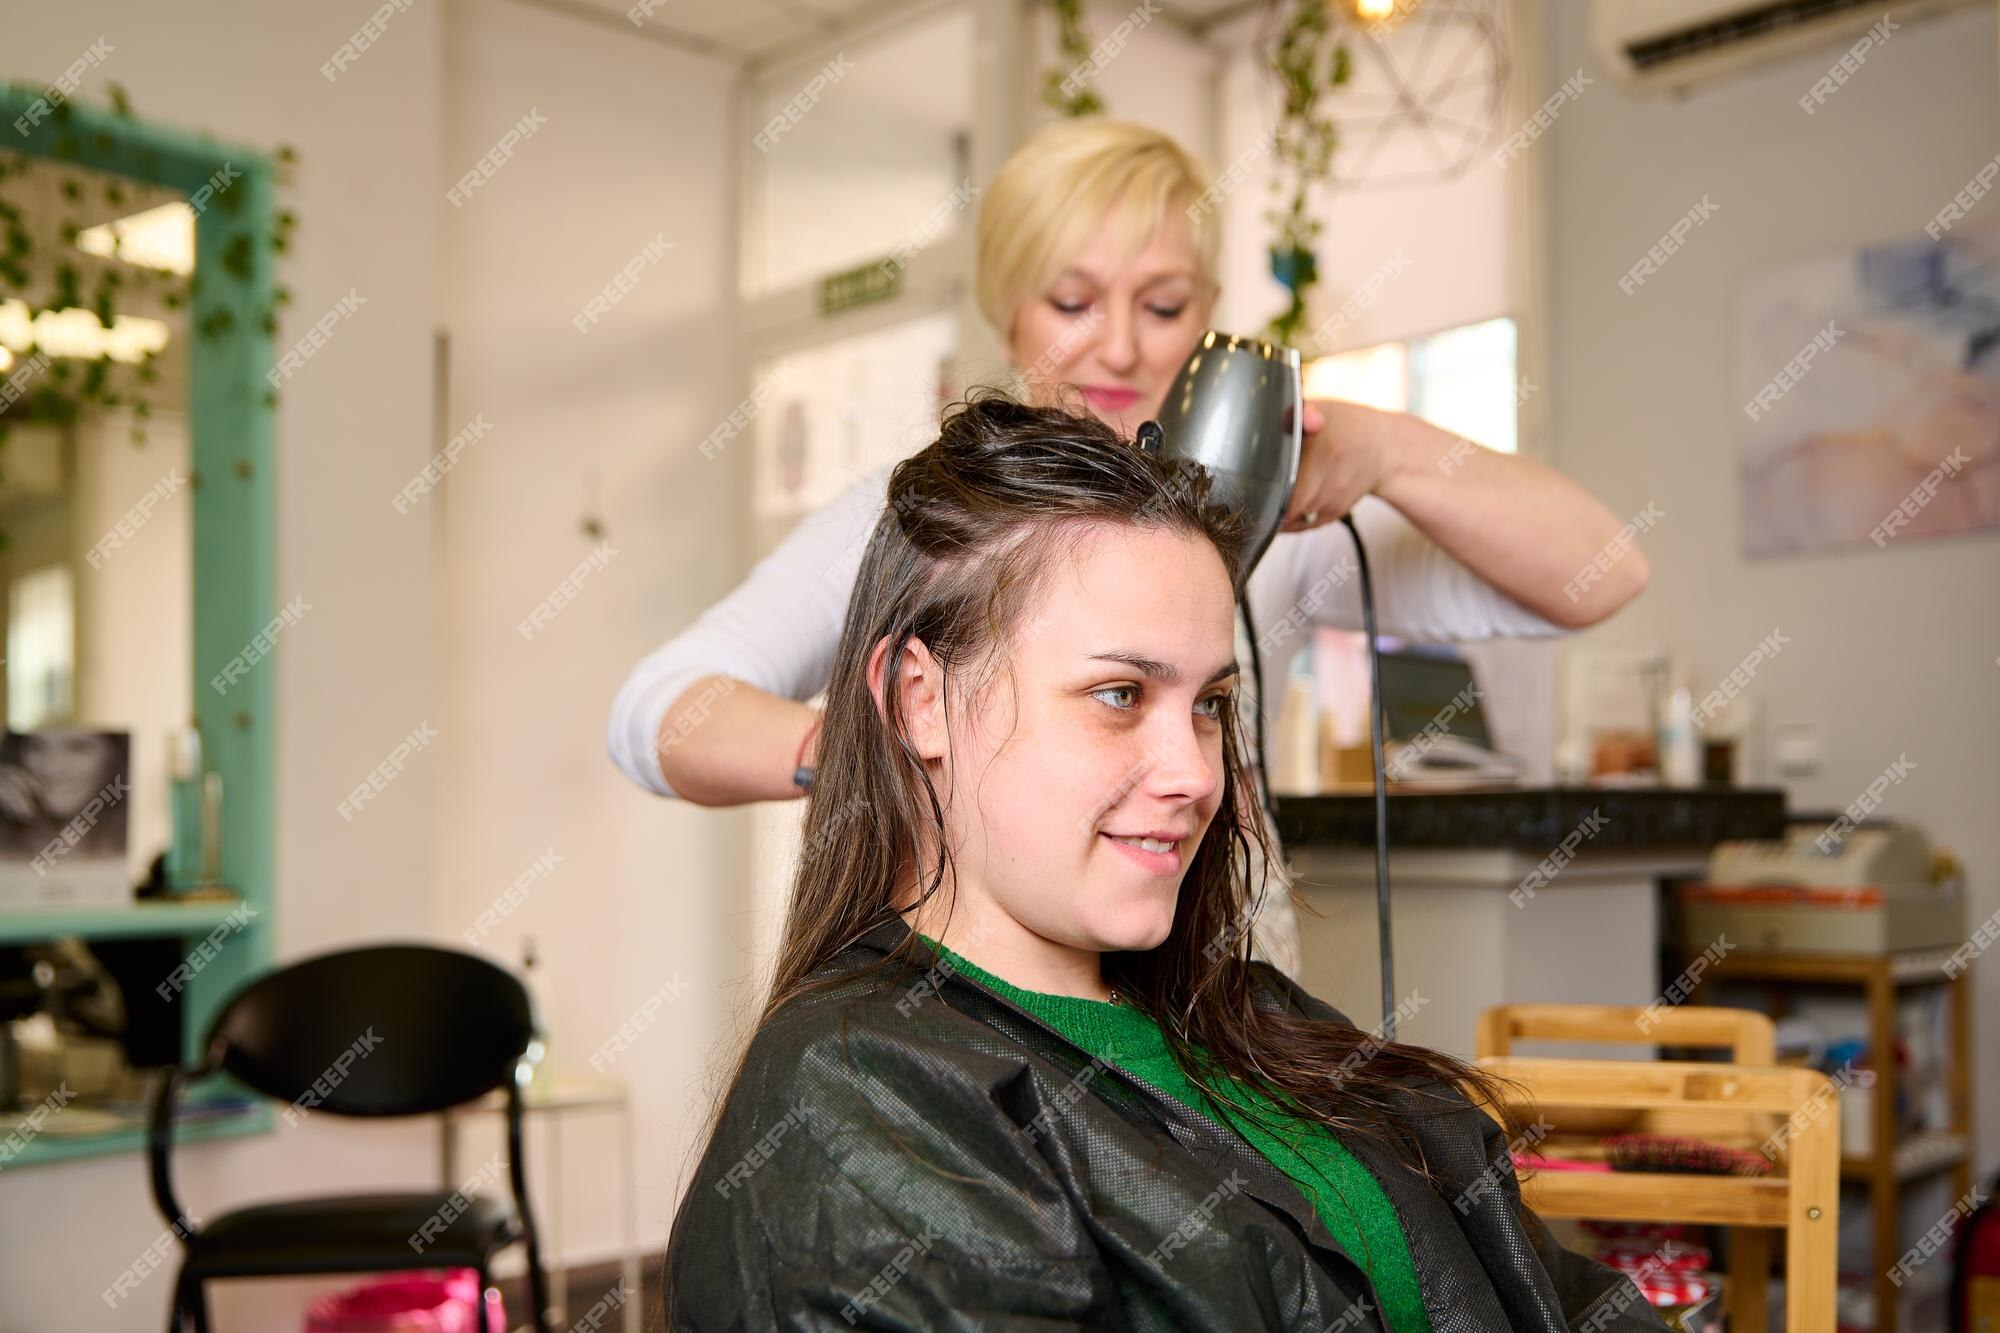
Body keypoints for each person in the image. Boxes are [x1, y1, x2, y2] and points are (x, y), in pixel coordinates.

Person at [664, 395, 1666, 1332]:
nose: (1193, 773)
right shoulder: (853, 1097)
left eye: (1209, 704)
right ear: (920, 701)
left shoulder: (1249, 1014)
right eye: (1117, 696)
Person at [608, 119, 1649, 977]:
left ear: (1204, 312)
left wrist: (1396, 447)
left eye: (1160, 307)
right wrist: (870, 749)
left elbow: (1602, 571)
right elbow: (659, 708)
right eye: (1070, 302)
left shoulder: (1258, 522)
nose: (1118, 346)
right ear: (1004, 309)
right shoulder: (925, 525)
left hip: (1220, 991)